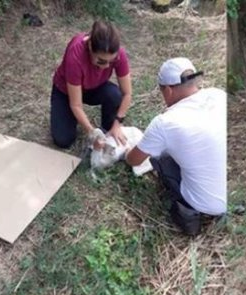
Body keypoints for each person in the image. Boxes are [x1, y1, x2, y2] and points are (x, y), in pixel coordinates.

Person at [124, 58, 226, 236]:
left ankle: (189, 212)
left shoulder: (165, 123)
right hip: (229, 191)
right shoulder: (219, 95)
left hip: (205, 204)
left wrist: (127, 150)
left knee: (160, 158)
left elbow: (134, 160)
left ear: (168, 90)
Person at [50, 20, 133, 149]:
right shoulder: (75, 54)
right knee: (63, 140)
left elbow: (127, 93)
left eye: (111, 62)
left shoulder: (119, 53)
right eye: (101, 61)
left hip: (93, 87)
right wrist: (92, 133)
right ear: (89, 46)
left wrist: (117, 123)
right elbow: (76, 104)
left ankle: (107, 129)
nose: (106, 66)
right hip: (65, 91)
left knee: (114, 94)